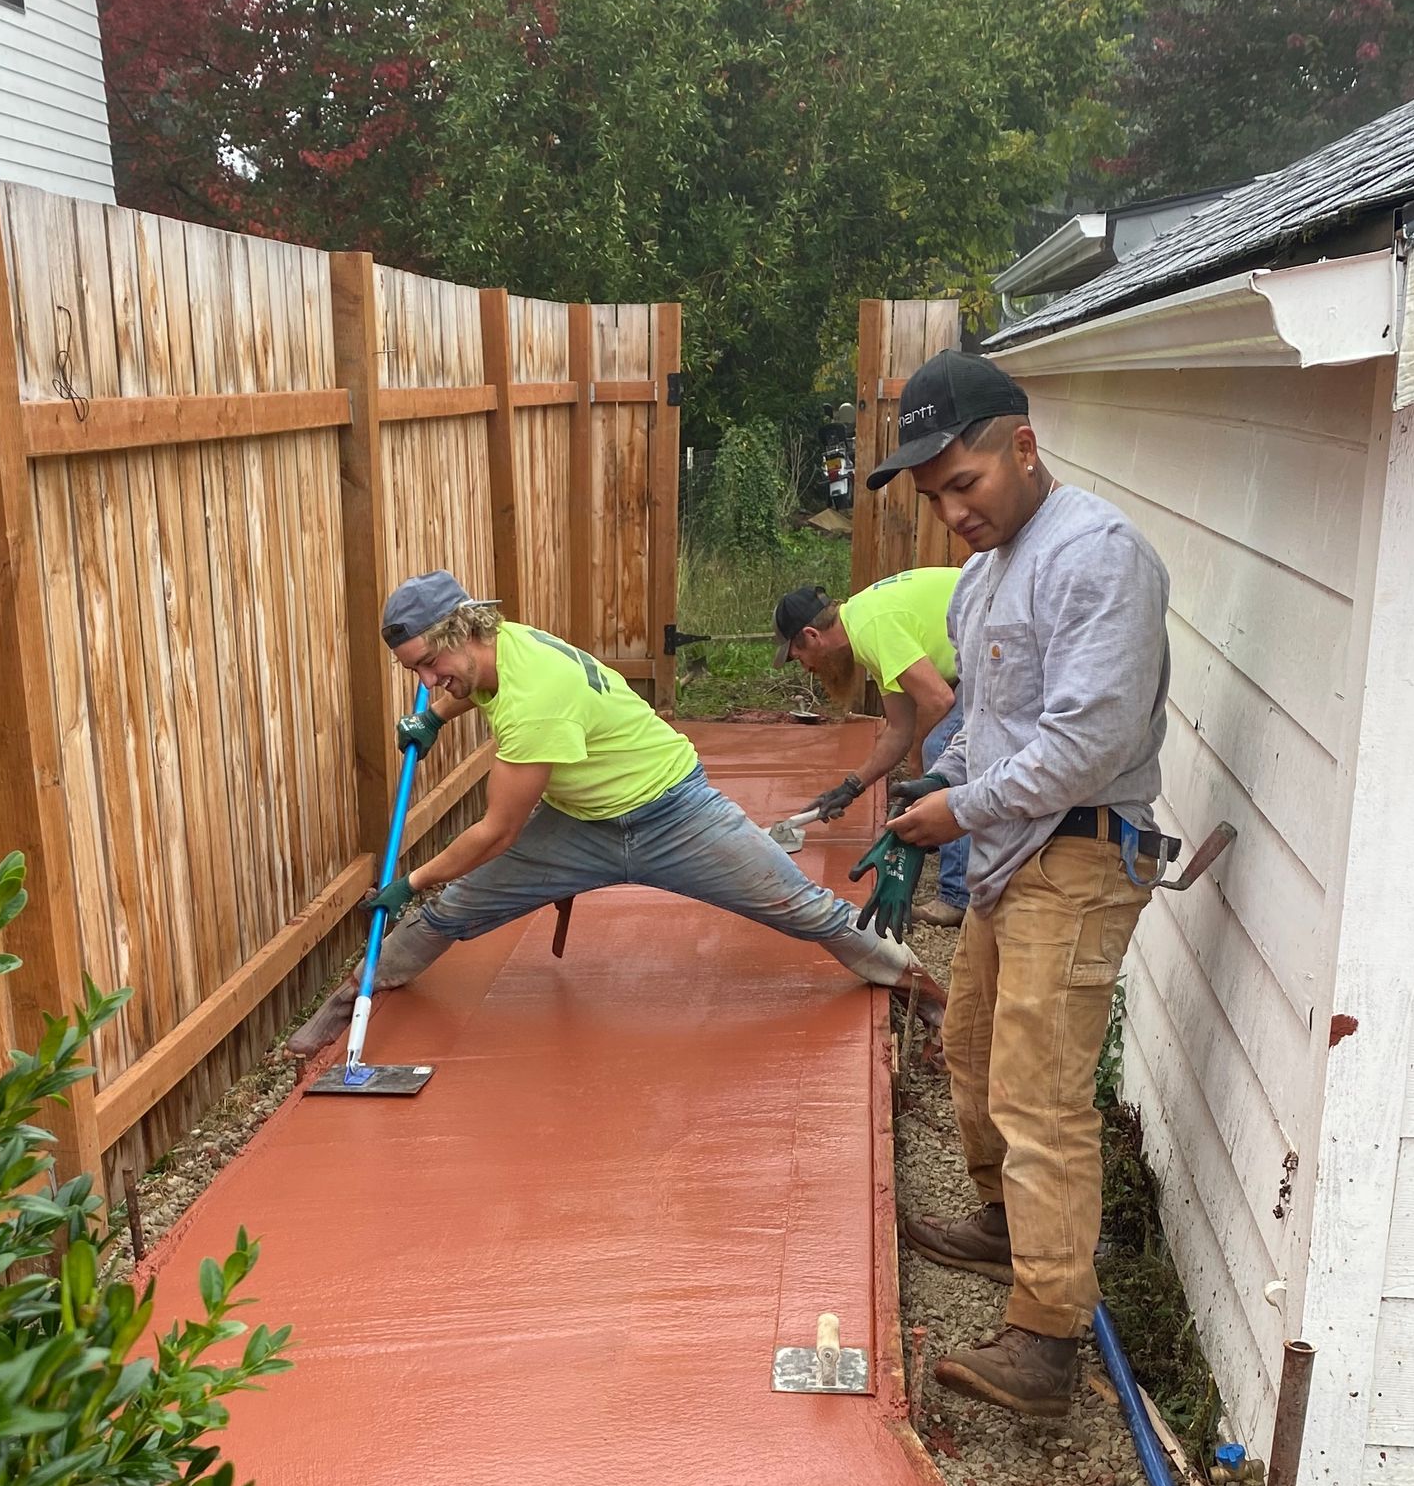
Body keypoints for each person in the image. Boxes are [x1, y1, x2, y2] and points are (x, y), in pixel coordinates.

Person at [869, 349, 1174, 1421]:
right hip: (1014, 852)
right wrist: (938, 779)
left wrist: (960, 809)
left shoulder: (1095, 557)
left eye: (966, 482)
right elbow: (988, 725)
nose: (953, 510)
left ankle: (1047, 1341)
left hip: (1078, 854)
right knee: (971, 1048)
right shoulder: (985, 572)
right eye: (934, 495)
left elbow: (1089, 744)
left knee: (1041, 1092)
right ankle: (1008, 1225)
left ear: (1025, 446)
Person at [285, 572, 945, 1058]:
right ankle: (355, 994)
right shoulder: (502, 646)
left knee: (801, 907)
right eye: (417, 672)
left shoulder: (534, 697)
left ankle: (923, 988)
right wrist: (432, 717)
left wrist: (410, 880)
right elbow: (473, 684)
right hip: (578, 826)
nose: (429, 681)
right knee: (455, 910)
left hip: (674, 814)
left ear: (464, 633)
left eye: (431, 666)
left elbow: (497, 832)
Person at [773, 569, 969, 925]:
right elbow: (899, 728)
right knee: (940, 751)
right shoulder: (865, 630)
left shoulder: (871, 627)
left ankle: (957, 897)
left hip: (1005, 641)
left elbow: (938, 700)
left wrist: (918, 755)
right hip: (983, 648)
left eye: (798, 656)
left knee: (941, 749)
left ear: (812, 635)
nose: (805, 668)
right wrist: (851, 787)